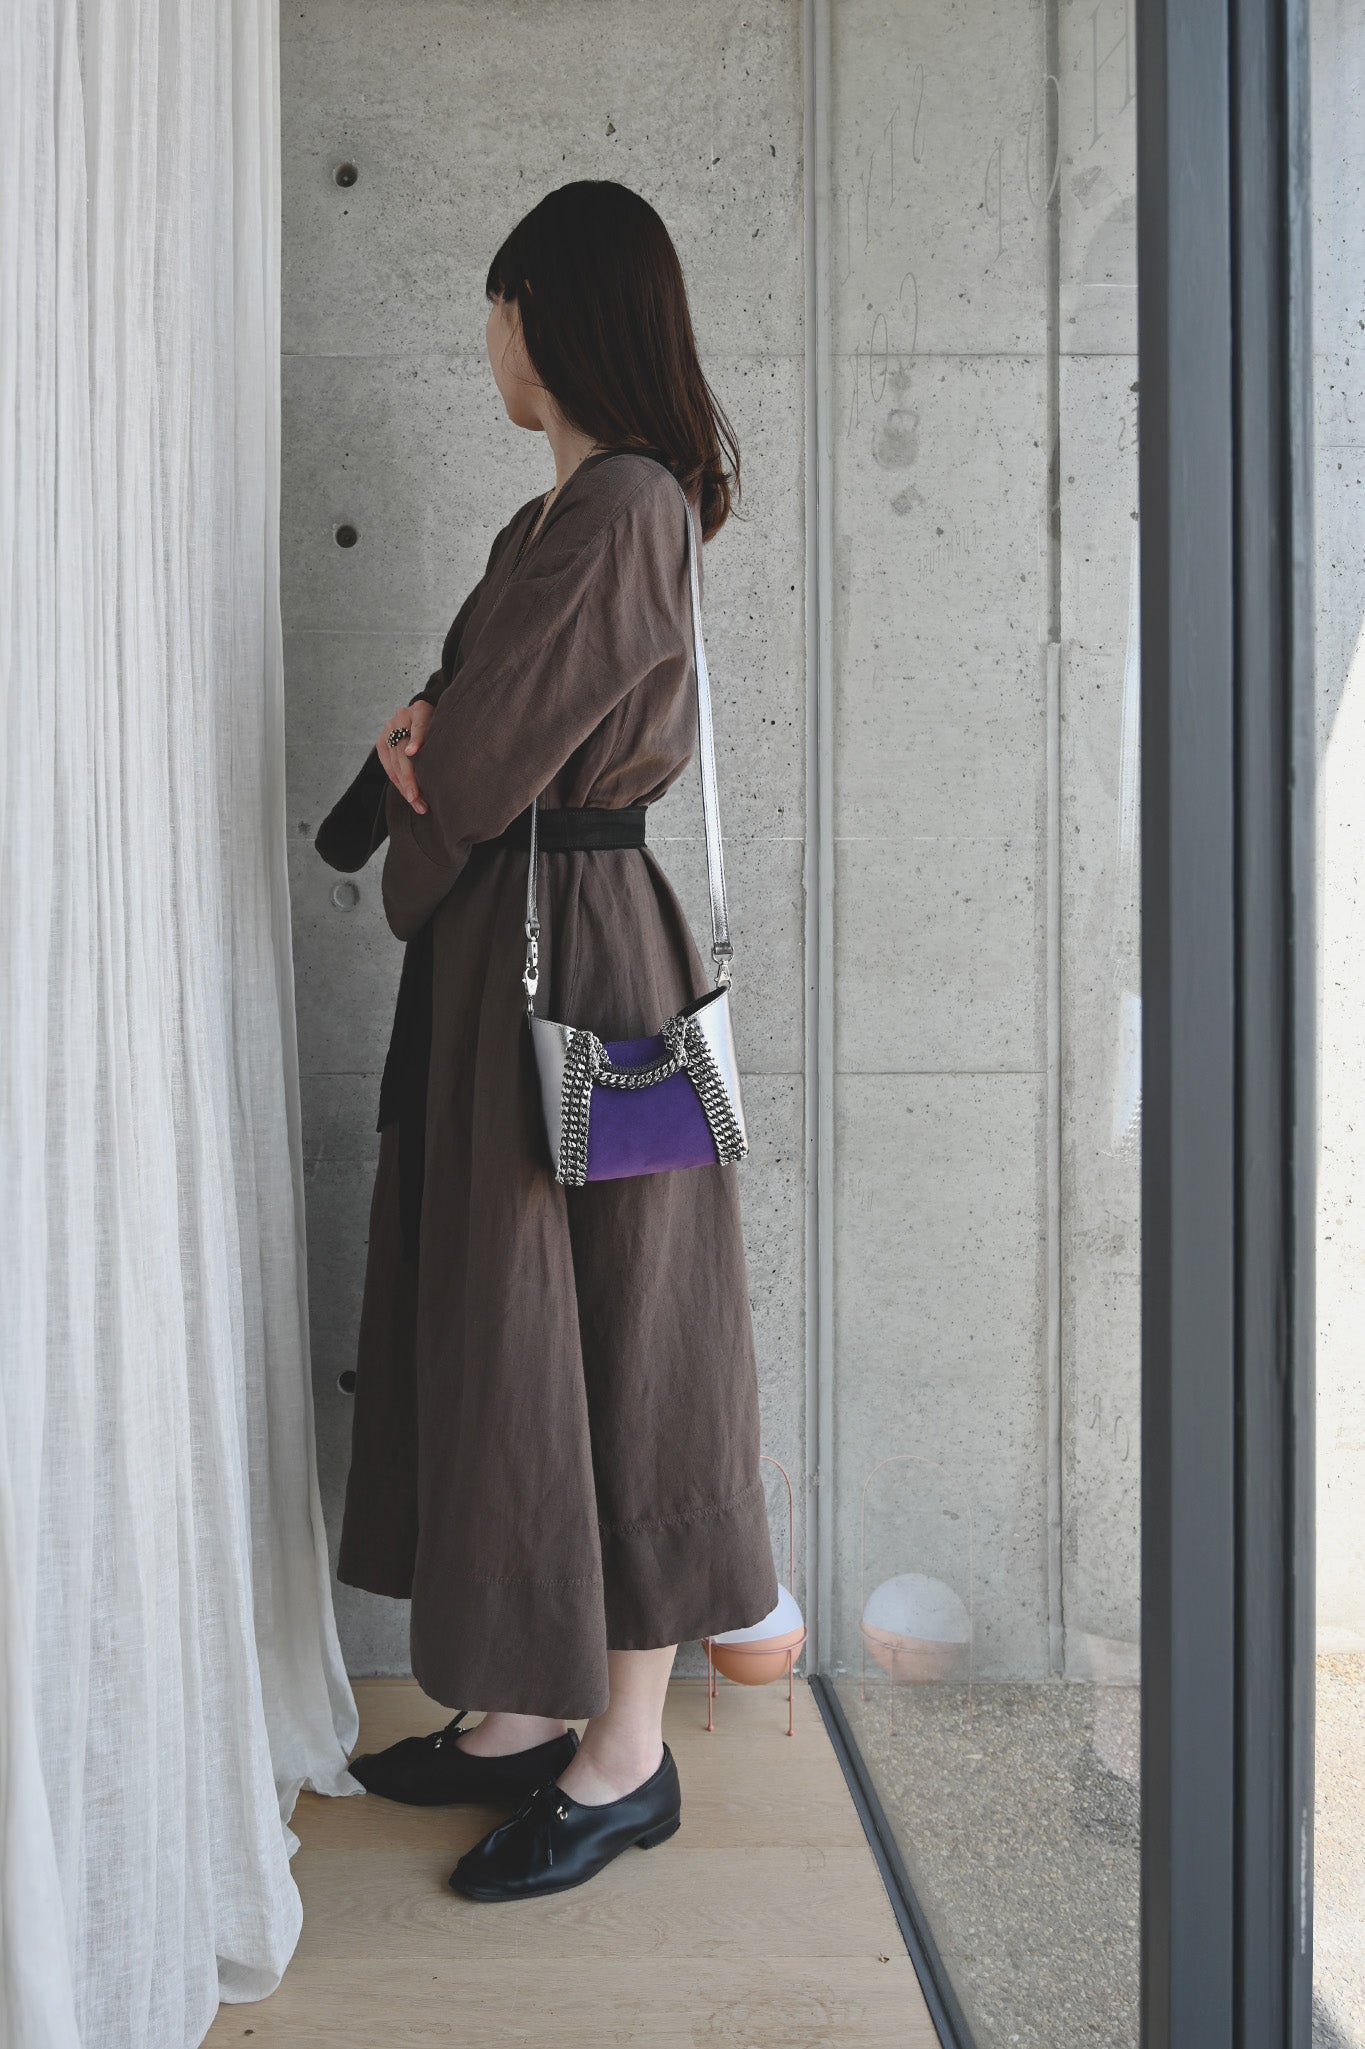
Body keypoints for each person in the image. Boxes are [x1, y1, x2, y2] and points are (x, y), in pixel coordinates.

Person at [313, 179, 778, 1902]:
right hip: (525, 954)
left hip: (581, 963)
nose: (487, 340)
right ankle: (523, 1708)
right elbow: (463, 742)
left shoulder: (626, 504)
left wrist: (430, 754)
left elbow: (474, 753)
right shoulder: (557, 516)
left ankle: (625, 1754)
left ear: (553, 318)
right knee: (520, 1331)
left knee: (620, 1336)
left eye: (499, 307)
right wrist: (434, 752)